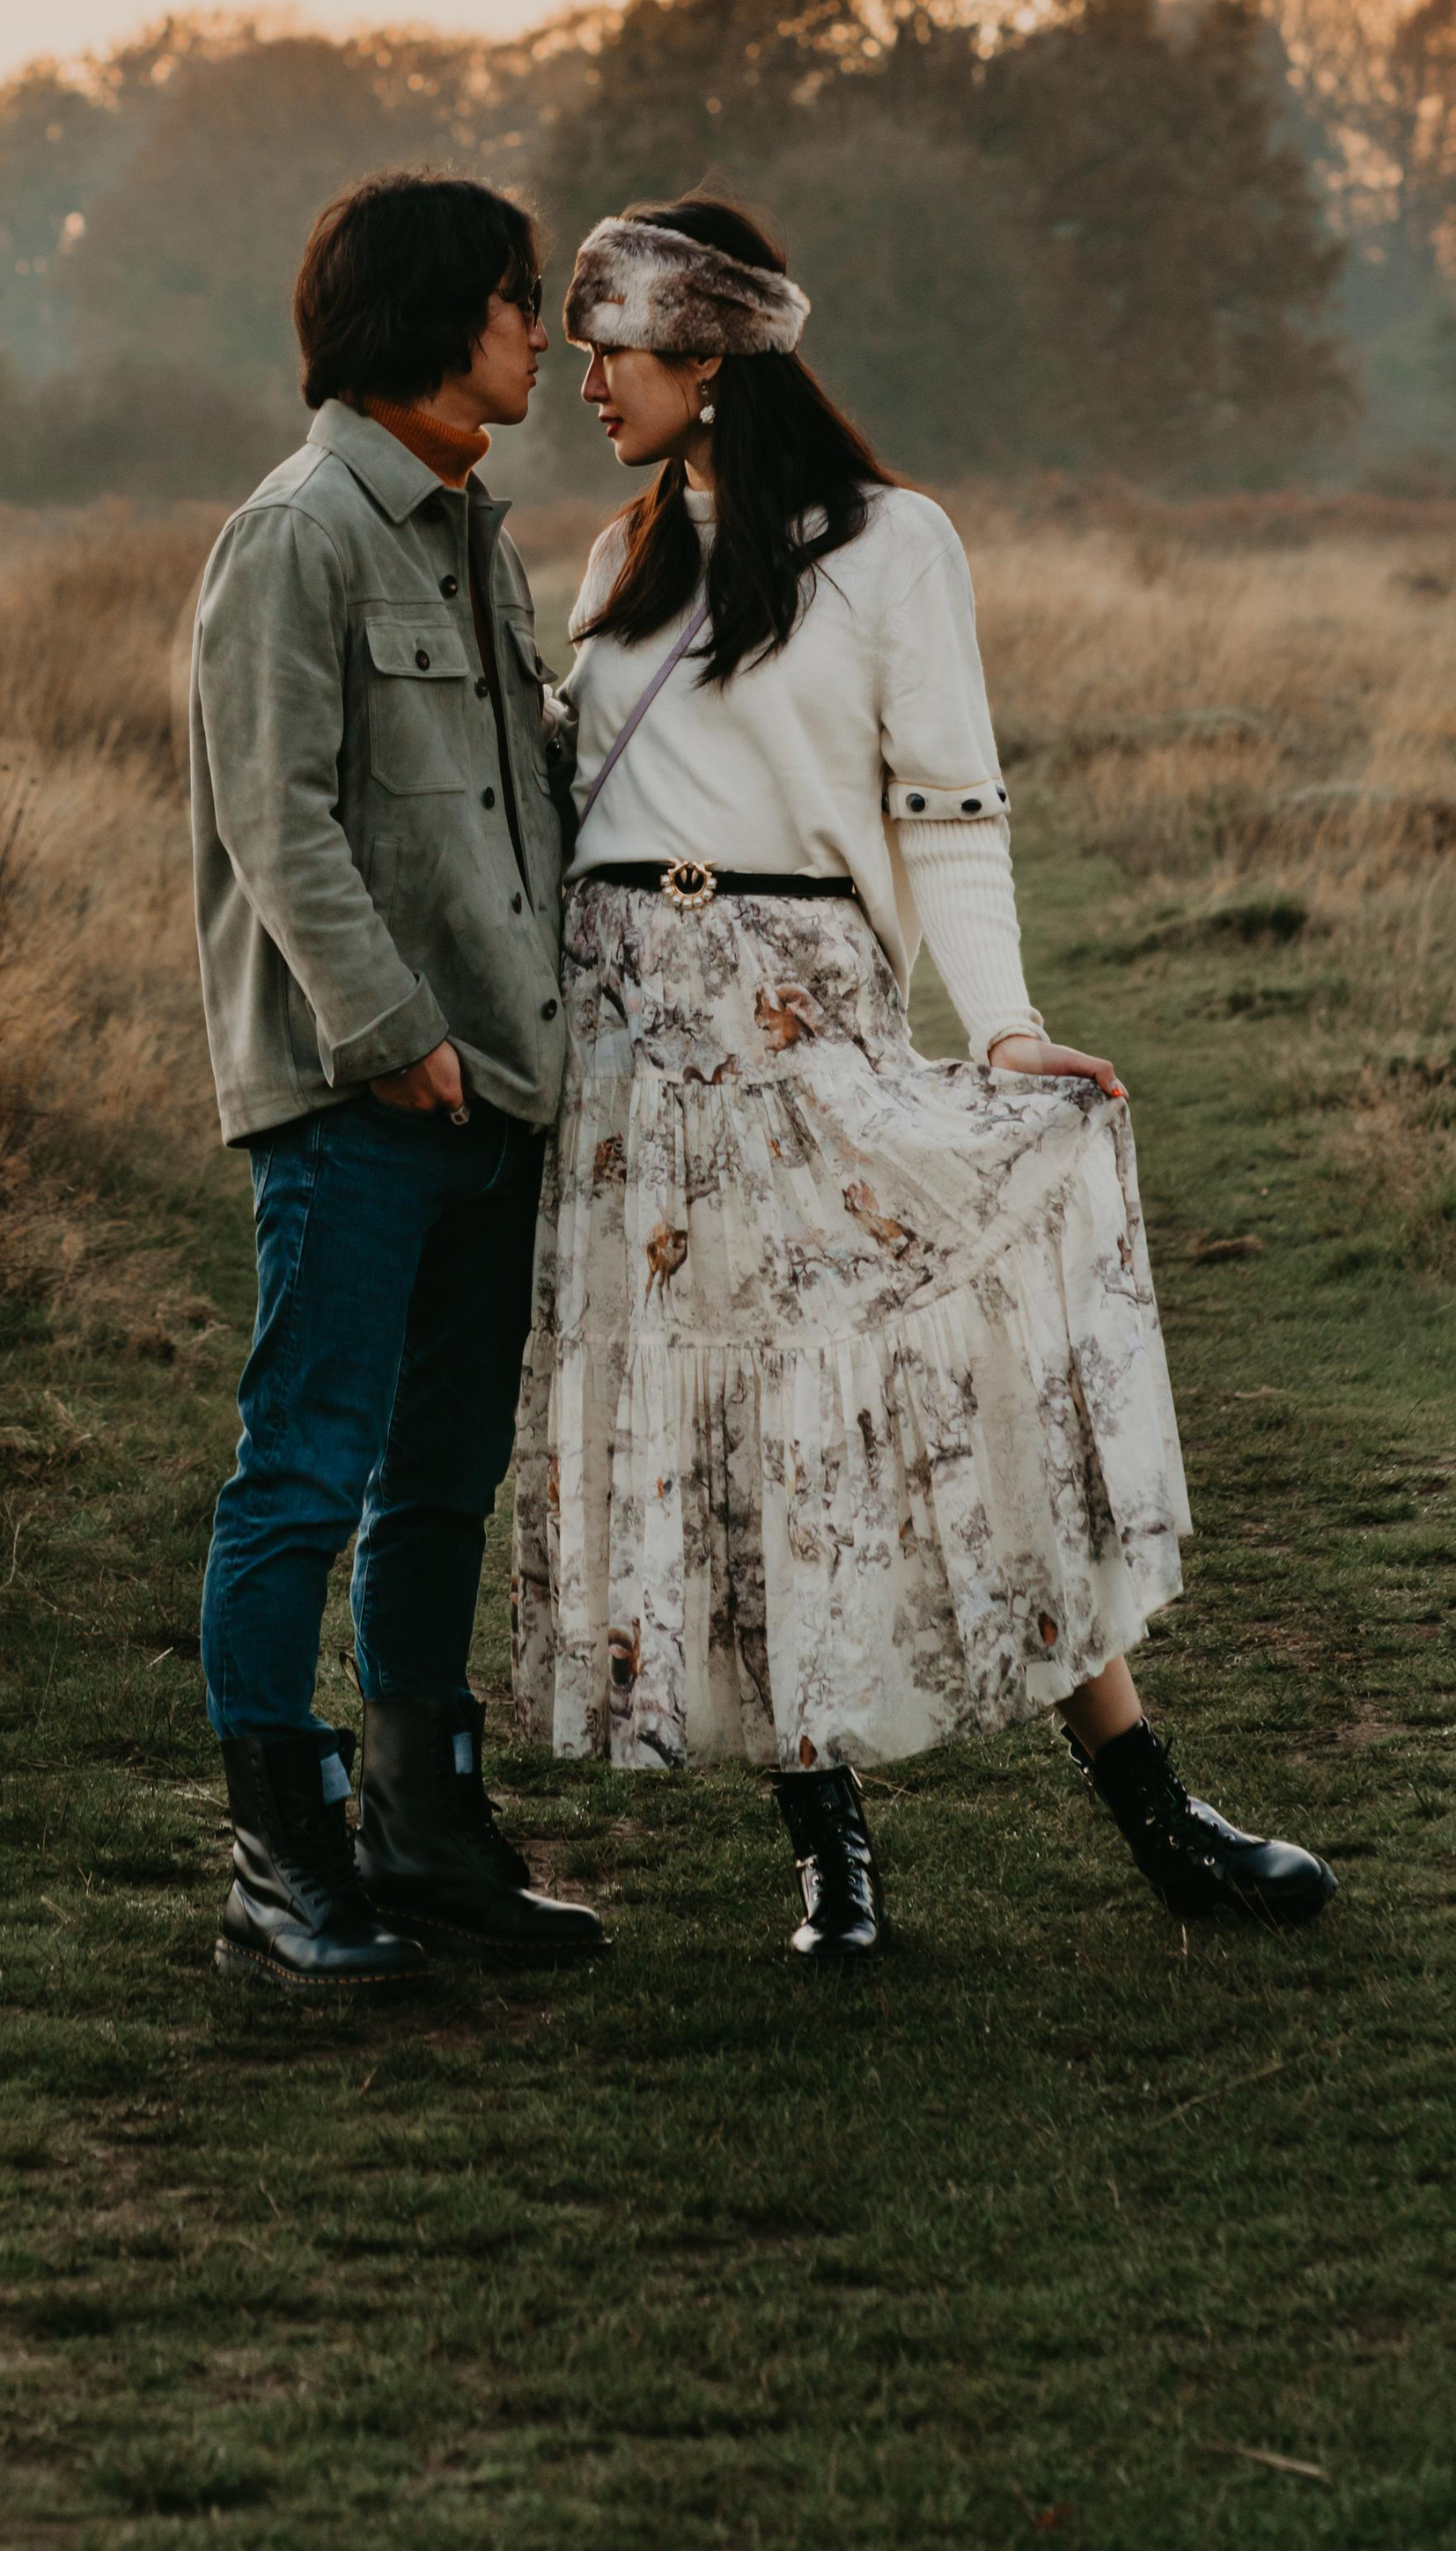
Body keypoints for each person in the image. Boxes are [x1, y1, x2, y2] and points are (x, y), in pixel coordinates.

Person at [511, 192, 1336, 1959]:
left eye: (616, 340)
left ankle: (1158, 1812)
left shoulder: (893, 547)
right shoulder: (616, 556)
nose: (585, 375)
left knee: (955, 1405)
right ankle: (828, 1855)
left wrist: (1005, 1017)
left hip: (805, 1029)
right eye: (577, 341)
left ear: (713, 347)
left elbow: (950, 815)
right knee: (724, 1439)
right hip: (629, 1069)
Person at [188, 172, 607, 1994]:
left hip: (489, 1096)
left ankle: (423, 1834)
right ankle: (278, 1873)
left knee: (436, 1480)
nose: (543, 329)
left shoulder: (465, 532)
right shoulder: (296, 534)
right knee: (301, 1469)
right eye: (520, 295)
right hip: (364, 1099)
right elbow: (272, 818)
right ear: (436, 318)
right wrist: (395, 1036)